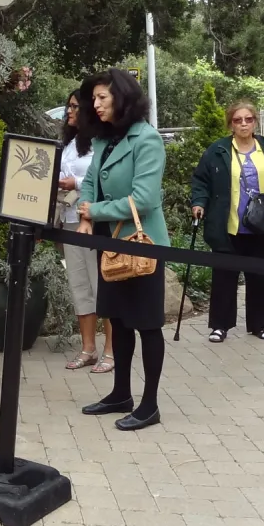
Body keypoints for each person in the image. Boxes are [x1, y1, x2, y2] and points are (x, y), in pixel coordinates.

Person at [76, 69, 169, 431]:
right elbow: (88, 182)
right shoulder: (104, 139)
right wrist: (86, 211)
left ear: (123, 97)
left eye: (102, 98)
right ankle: (120, 394)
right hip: (109, 242)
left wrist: (93, 211)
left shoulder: (147, 140)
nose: (95, 105)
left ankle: (149, 405)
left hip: (142, 245)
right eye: (93, 99)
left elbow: (144, 200)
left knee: (146, 325)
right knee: (117, 320)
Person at [190, 100, 264, 343]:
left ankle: (262, 324)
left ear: (255, 122)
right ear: (230, 124)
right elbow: (200, 180)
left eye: (248, 119)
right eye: (238, 120)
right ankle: (220, 326)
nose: (244, 123)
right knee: (224, 277)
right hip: (229, 225)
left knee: (262, 277)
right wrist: (198, 202)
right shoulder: (218, 150)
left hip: (263, 225)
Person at [59, 87, 114, 373]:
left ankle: (111, 350)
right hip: (69, 220)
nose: (69, 111)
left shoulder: (100, 143)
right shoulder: (68, 143)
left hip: (93, 221)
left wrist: (76, 184)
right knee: (79, 285)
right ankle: (88, 348)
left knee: (100, 285)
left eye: (75, 107)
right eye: (68, 106)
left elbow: (101, 179)